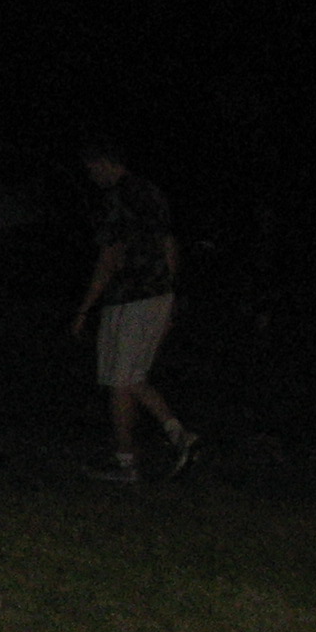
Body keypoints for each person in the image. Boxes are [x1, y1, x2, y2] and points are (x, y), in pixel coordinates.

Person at [70, 140, 198, 481]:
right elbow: (169, 242)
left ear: (104, 162)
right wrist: (170, 296)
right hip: (153, 295)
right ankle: (180, 435)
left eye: (92, 169)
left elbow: (109, 256)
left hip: (131, 296)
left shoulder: (118, 197)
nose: (91, 177)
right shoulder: (152, 193)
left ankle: (126, 462)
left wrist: (85, 308)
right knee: (131, 376)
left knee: (120, 380)